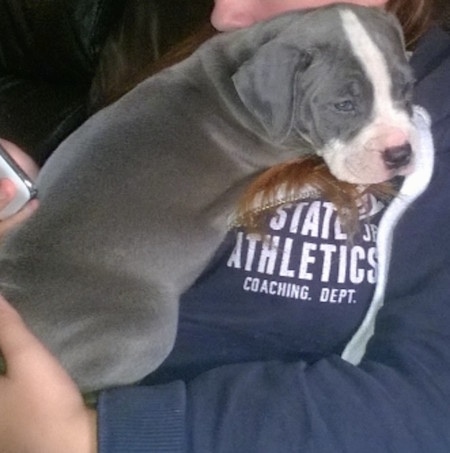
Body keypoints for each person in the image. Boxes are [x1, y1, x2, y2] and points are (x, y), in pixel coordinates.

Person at [0, 0, 449, 451]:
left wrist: (89, 436)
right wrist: (30, 205)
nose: (223, 16)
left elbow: (431, 396)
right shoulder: (212, 69)